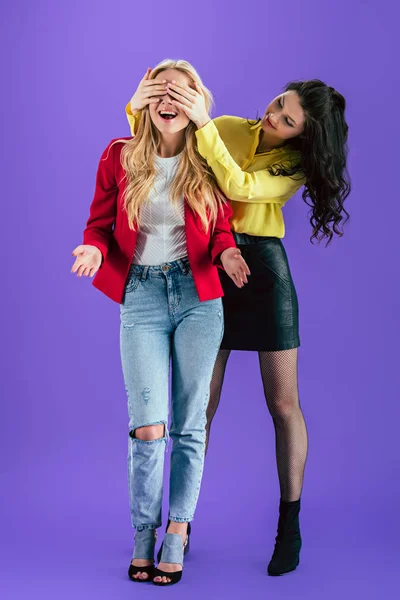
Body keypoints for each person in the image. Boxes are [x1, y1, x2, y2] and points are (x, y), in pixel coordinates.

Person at [126, 72, 350, 576]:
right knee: (198, 407)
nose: (273, 115)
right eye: (277, 103)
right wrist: (148, 107)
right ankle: (182, 523)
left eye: (287, 119)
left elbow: (240, 186)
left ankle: (289, 525)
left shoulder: (292, 166)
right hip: (208, 267)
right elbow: (163, 149)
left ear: (302, 136)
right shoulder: (224, 126)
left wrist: (204, 126)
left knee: (283, 402)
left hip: (264, 271)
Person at [71, 59, 250, 587]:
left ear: (196, 103)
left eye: (182, 91)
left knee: (190, 423)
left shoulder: (209, 160)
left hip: (198, 296)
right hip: (143, 296)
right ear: (145, 99)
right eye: (160, 90)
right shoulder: (120, 155)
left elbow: (219, 231)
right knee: (149, 426)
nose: (169, 100)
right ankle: (143, 534)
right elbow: (99, 223)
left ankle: (178, 529)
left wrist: (229, 254)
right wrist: (93, 249)